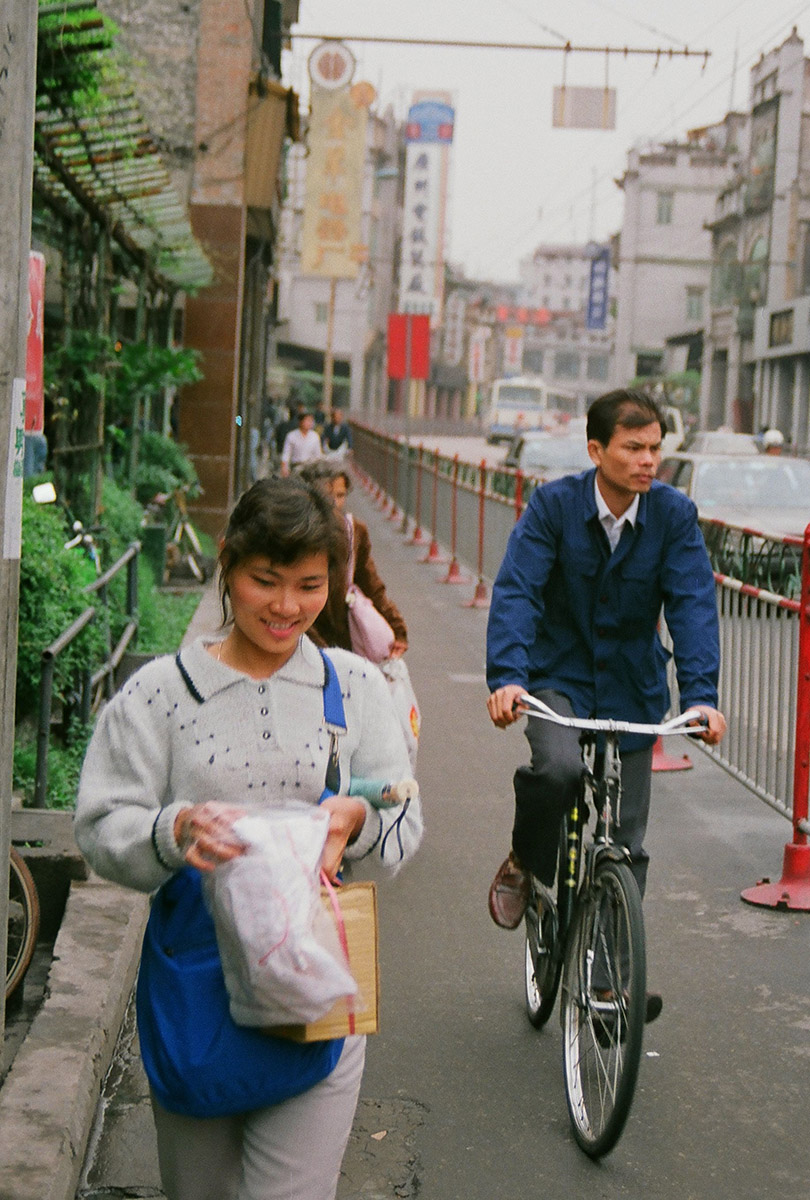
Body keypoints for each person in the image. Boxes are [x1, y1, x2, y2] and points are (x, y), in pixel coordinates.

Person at [74, 476, 423, 1200]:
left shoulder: (355, 687)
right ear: (228, 564)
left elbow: (403, 817)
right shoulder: (158, 696)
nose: (288, 607)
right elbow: (103, 828)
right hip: (196, 988)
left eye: (309, 585)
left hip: (320, 994)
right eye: (266, 581)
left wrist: (357, 824)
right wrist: (173, 831)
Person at [485, 388, 726, 1020]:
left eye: (656, 448)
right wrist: (508, 677)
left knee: (628, 838)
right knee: (560, 771)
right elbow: (517, 591)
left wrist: (701, 697)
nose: (650, 460)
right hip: (556, 675)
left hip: (633, 688)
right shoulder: (554, 507)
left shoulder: (673, 516)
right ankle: (526, 858)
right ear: (597, 450)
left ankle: (608, 984)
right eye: (634, 448)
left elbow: (694, 606)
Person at [299, 461, 408, 659]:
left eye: (340, 495)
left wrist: (397, 628)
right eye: (326, 496)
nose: (333, 502)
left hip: (343, 635)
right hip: (301, 632)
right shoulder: (295, 532)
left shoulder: (353, 531)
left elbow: (370, 583)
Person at [280, 410, 323, 476]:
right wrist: (284, 468)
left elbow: (318, 455)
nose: (309, 423)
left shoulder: (315, 436)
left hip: (310, 468)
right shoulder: (291, 436)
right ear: (300, 422)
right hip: (296, 467)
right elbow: (286, 454)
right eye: (307, 420)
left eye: (311, 421)